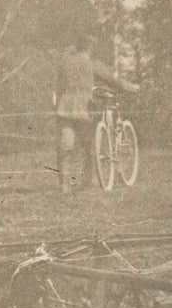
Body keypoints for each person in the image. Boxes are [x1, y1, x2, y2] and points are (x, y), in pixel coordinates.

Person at [54, 35, 137, 194]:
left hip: (64, 107)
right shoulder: (91, 63)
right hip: (83, 108)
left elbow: (59, 87)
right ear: (90, 48)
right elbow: (113, 81)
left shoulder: (65, 63)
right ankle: (87, 180)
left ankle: (64, 184)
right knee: (88, 144)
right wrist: (131, 88)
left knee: (66, 145)